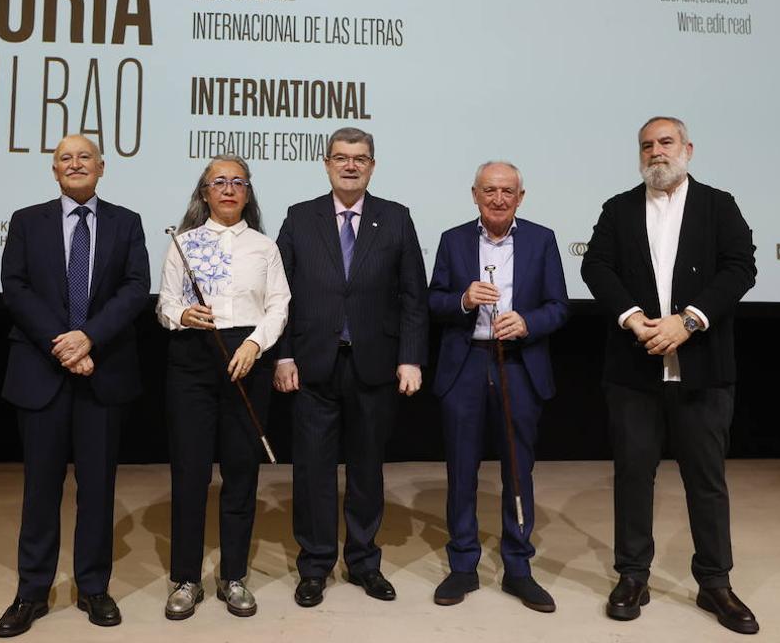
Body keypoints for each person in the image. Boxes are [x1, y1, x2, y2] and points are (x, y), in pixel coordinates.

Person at [580, 116, 759, 635]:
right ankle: (633, 575)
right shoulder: (617, 208)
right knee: (634, 475)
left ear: (687, 148)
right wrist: (634, 319)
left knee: (706, 480)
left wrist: (688, 322)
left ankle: (715, 582)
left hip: (702, 367)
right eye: (647, 146)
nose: (656, 152)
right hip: (633, 370)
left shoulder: (718, 205)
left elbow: (741, 267)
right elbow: (597, 268)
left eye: (666, 143)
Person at [0, 134, 150, 637]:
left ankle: (93, 586)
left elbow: (134, 288)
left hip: (103, 371)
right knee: (39, 487)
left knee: (98, 487)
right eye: (66, 158)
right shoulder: (26, 221)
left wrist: (89, 339)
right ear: (54, 170)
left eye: (85, 157)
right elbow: (14, 286)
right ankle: (31, 591)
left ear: (102, 168)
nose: (76, 164)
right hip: (40, 371)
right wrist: (61, 344)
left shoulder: (127, 222)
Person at [273, 126, 428, 607]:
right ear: (326, 163)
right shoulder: (300, 218)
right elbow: (278, 294)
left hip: (375, 366)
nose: (350, 165)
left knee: (366, 470)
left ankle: (364, 562)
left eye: (360, 158)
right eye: (341, 157)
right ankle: (315, 565)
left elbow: (413, 298)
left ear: (373, 165)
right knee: (313, 471)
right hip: (313, 364)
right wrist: (282, 353)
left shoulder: (396, 218)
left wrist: (411, 357)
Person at [427, 161, 569, 610]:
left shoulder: (542, 239)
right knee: (462, 470)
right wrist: (464, 300)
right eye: (490, 190)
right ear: (475, 194)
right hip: (466, 362)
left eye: (508, 191)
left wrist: (527, 321)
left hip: (519, 365)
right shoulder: (453, 240)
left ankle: (518, 567)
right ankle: (463, 565)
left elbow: (559, 306)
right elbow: (434, 300)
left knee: (517, 470)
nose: (498, 198)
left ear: (521, 197)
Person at [155, 155, 290, 620]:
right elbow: (165, 302)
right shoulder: (183, 243)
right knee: (190, 474)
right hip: (192, 359)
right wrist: (181, 314)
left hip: (245, 359)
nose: (229, 189)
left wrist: (255, 345)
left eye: (238, 182)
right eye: (219, 182)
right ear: (205, 192)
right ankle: (186, 578)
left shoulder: (265, 247)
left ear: (248, 193)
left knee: (240, 472)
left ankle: (234, 576)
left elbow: (279, 306)